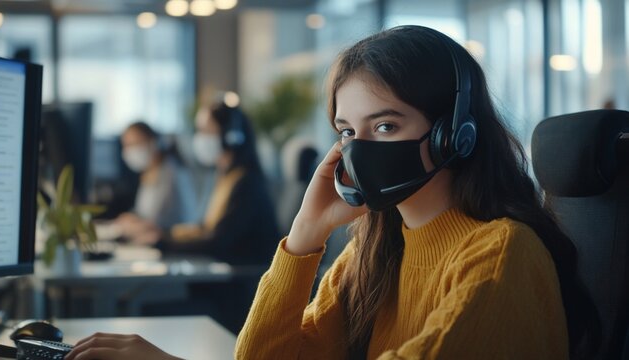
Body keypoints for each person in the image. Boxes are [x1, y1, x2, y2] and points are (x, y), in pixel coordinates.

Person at [64, 26, 598, 360]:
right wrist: (303, 238)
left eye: (385, 126)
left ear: (453, 133)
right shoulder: (371, 254)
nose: (360, 148)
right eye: (348, 131)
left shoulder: (500, 254)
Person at [140, 99, 280, 266]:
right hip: (223, 270)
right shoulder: (225, 177)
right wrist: (163, 233)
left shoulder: (247, 183)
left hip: (241, 280)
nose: (200, 138)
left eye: (206, 131)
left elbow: (219, 241)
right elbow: (206, 229)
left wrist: (162, 244)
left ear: (231, 136)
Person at [112, 122, 196, 244]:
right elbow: (145, 214)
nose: (130, 150)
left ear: (153, 142)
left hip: (176, 244)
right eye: (126, 145)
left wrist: (134, 223)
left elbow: (156, 222)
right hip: (160, 242)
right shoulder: (150, 171)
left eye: (135, 144)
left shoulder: (171, 171)